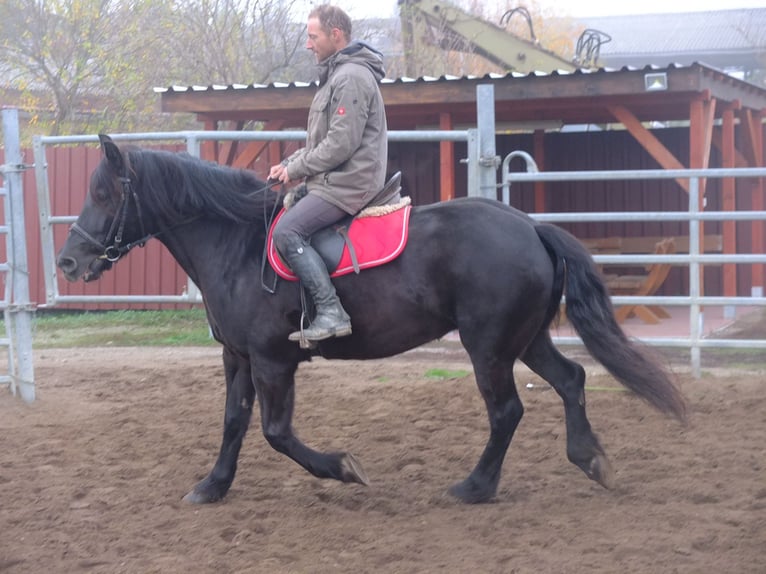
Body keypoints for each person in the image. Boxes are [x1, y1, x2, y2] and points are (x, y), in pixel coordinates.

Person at [269, 4, 390, 343]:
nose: (308, 44)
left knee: (287, 232)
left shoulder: (351, 77)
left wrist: (297, 168)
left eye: (313, 37)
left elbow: (340, 145)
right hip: (333, 179)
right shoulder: (337, 76)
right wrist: (289, 165)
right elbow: (322, 142)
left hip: (350, 184)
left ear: (335, 35)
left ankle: (331, 310)